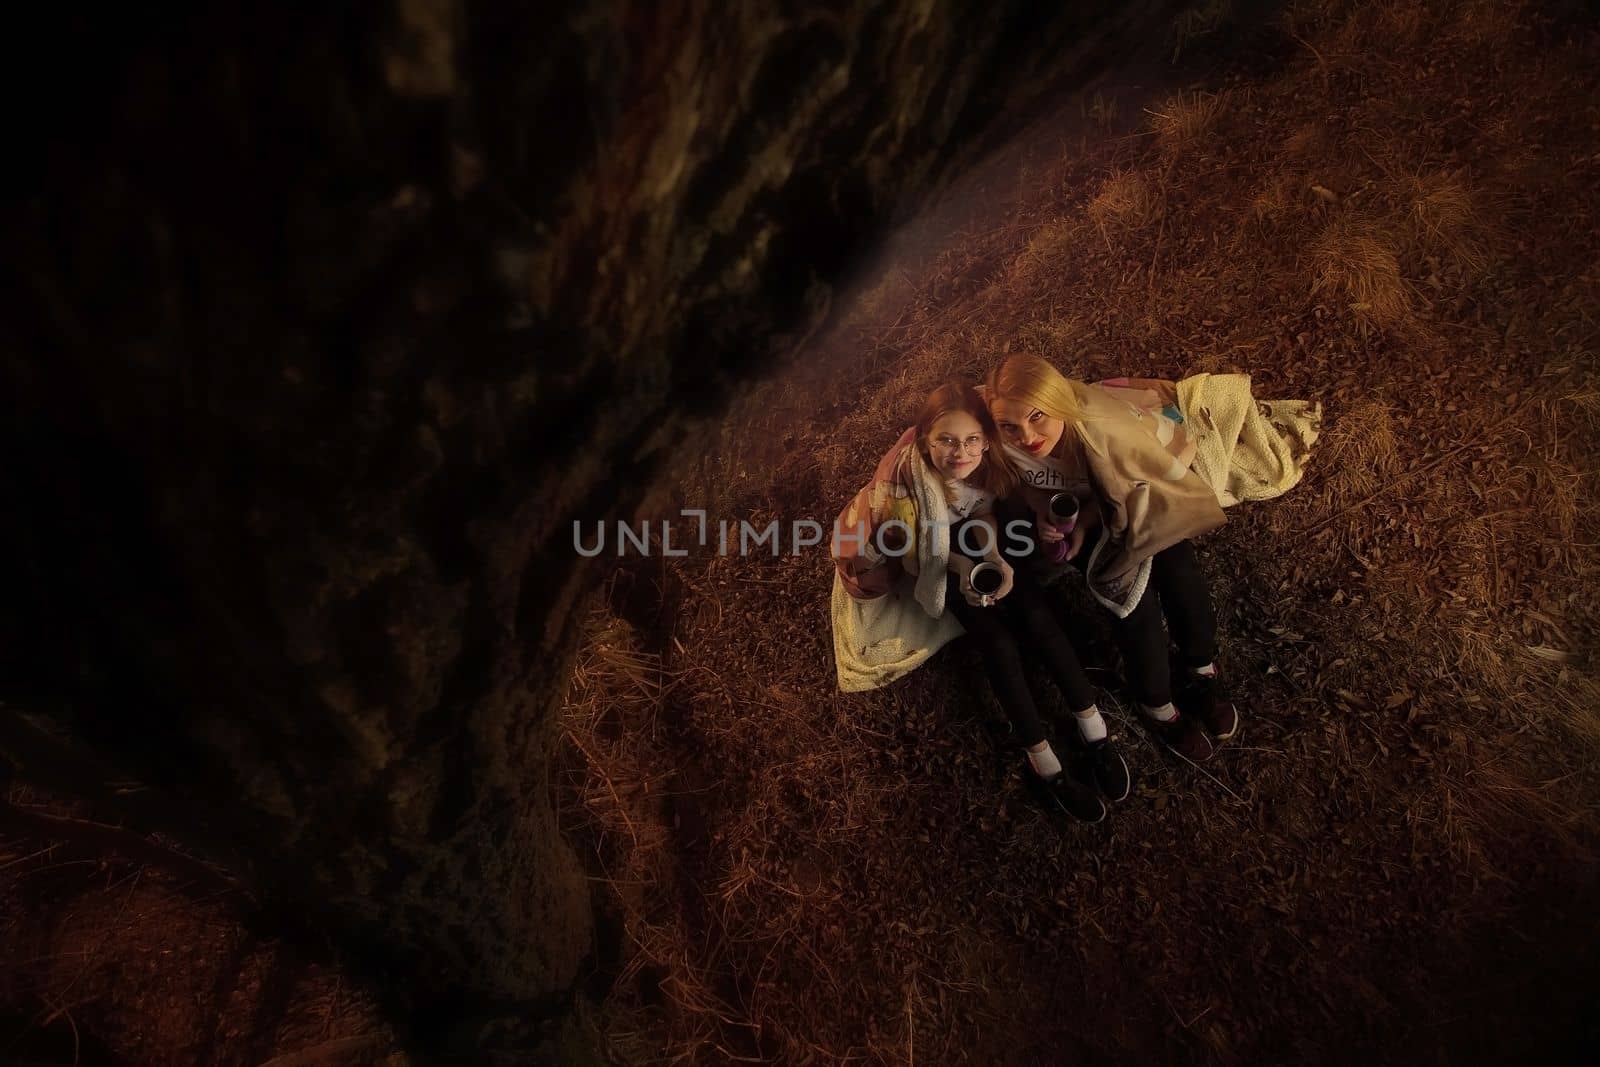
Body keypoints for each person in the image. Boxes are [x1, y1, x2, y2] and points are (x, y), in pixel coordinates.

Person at [831, 380, 1129, 823]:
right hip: (930, 555)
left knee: (1034, 612)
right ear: (924, 439)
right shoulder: (902, 492)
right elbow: (910, 552)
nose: (961, 453)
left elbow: (982, 513)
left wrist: (992, 557)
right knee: (996, 642)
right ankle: (1044, 761)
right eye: (946, 441)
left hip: (972, 542)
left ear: (986, 440)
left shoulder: (986, 466)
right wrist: (961, 572)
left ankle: (1094, 730)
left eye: (972, 440)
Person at [984, 355, 1241, 763]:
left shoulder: (1102, 429)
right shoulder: (1002, 443)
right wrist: (1048, 517)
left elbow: (1139, 479)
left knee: (1177, 565)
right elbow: (1021, 486)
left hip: (1134, 498)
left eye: (1037, 417)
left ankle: (1201, 668)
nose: (1027, 435)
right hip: (1083, 520)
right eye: (1010, 426)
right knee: (1131, 603)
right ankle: (1155, 701)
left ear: (1058, 402)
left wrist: (1092, 518)